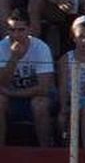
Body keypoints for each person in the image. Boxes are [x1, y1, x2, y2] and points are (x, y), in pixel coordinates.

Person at [0, 9, 55, 146]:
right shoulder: (2, 47)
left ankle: (45, 151)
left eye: (21, 30)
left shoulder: (41, 48)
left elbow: (44, 88)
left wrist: (13, 93)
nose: (16, 35)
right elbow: (2, 82)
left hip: (35, 96)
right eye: (12, 30)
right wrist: (14, 58)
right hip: (11, 99)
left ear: (29, 29)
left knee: (39, 104)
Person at [55, 13, 85, 144]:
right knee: (64, 118)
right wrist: (64, 107)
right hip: (71, 98)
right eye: (80, 37)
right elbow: (62, 86)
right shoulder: (65, 59)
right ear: (74, 38)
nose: (84, 41)